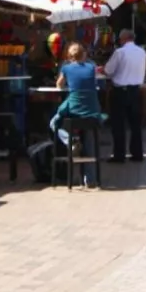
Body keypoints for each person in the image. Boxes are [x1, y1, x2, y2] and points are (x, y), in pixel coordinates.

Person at [53, 42, 105, 188]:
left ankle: (72, 140)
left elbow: (59, 85)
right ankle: (91, 180)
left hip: (74, 110)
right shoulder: (91, 68)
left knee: (53, 122)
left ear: (69, 56)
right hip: (92, 112)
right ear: (84, 54)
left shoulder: (66, 68)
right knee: (89, 138)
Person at [103, 28, 146, 163]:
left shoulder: (120, 52)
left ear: (124, 39)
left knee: (118, 124)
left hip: (120, 91)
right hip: (136, 91)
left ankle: (119, 154)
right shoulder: (142, 52)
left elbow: (108, 70)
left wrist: (103, 70)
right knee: (135, 124)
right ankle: (137, 153)